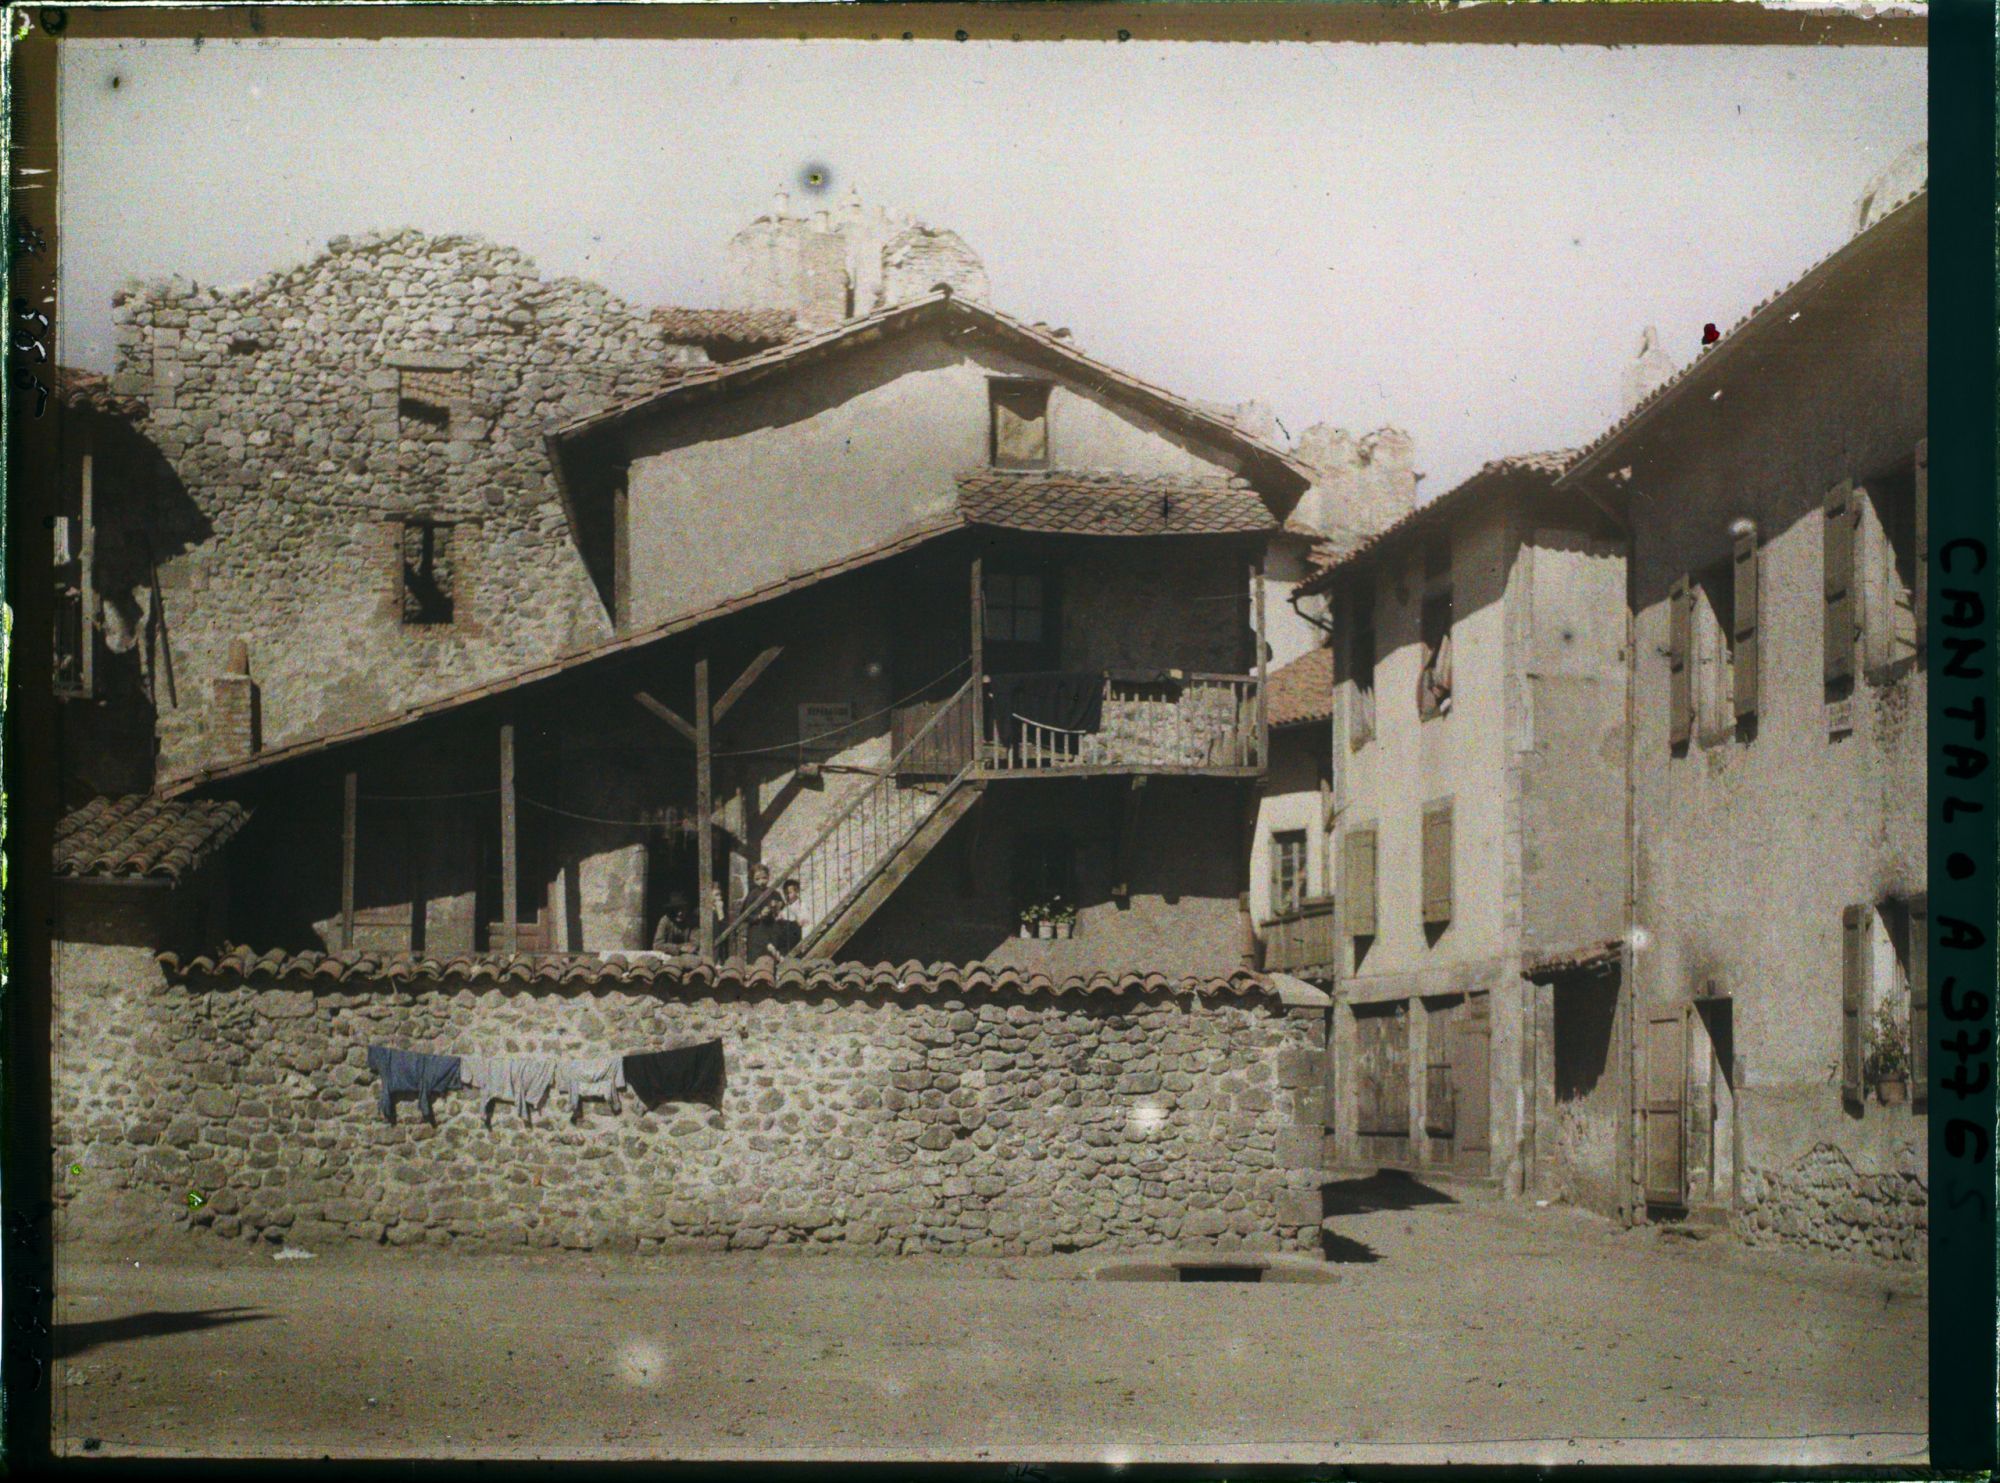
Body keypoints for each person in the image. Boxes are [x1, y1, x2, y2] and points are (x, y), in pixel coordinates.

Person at [774, 877, 805, 954]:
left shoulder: (800, 905)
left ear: (797, 892)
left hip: (795, 931)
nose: (787, 896)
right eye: (785, 893)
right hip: (787, 931)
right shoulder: (787, 906)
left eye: (790, 893)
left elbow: (802, 920)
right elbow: (782, 916)